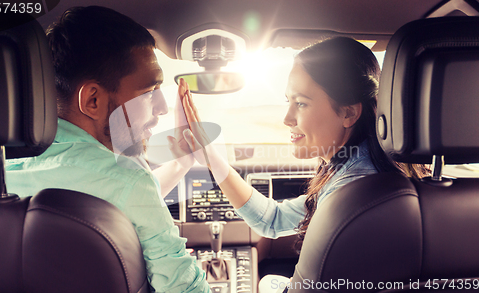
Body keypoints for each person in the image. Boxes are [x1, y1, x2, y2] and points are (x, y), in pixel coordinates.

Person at [0, 6, 209, 293]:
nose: (162, 108)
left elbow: (108, 201)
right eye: (150, 92)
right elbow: (183, 289)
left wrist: (179, 165)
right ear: (92, 100)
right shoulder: (129, 180)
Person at [179, 37, 428, 292]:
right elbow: (273, 220)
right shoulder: (367, 175)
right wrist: (211, 157)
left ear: (349, 113)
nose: (287, 118)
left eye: (301, 103)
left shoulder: (348, 195)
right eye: (288, 101)